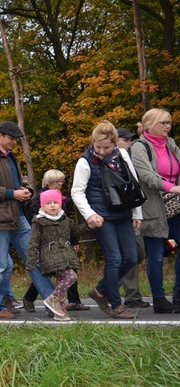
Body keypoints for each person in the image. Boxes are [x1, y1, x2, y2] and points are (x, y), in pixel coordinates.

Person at [0, 121, 55, 319]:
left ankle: (53, 302)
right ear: (0, 136)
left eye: (16, 140)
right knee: (0, 265)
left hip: (18, 216)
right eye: (11, 138)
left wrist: (26, 190)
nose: (14, 143)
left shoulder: (12, 158)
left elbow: (17, 183)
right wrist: (13, 194)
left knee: (34, 259)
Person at [71, 120, 142, 319]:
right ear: (92, 142)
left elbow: (132, 185)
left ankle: (100, 291)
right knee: (114, 258)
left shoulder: (123, 155)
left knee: (131, 257)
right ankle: (116, 305)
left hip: (123, 213)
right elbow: (77, 192)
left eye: (107, 147)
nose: (101, 151)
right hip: (101, 216)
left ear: (115, 143)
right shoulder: (85, 161)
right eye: (97, 146)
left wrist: (137, 213)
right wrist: (90, 215)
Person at [128, 109, 180, 313]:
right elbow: (147, 176)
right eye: (163, 123)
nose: (167, 126)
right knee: (157, 253)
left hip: (175, 203)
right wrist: (172, 187)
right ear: (148, 126)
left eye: (169, 122)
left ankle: (178, 294)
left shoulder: (170, 143)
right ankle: (159, 299)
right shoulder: (139, 147)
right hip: (151, 205)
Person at [22, 169, 89, 313]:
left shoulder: (61, 200)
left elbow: (68, 225)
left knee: (64, 273)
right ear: (48, 182)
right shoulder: (40, 201)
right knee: (56, 273)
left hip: (63, 245)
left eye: (61, 181)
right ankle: (39, 299)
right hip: (49, 246)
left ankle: (69, 301)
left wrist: (74, 240)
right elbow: (37, 230)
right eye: (56, 181)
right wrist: (31, 259)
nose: (59, 184)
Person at [116, 129, 148, 308]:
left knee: (138, 254)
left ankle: (106, 287)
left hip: (137, 212)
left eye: (130, 140)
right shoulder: (113, 162)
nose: (129, 143)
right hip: (121, 214)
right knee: (131, 255)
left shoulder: (134, 158)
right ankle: (132, 296)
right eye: (125, 140)